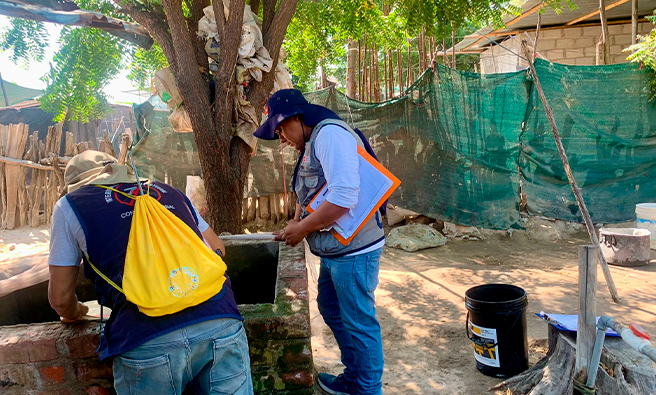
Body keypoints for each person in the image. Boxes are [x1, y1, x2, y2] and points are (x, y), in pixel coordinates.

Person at [48, 150, 253, 395]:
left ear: (75, 185)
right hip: (220, 319)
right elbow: (218, 248)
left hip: (145, 337)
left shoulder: (70, 206)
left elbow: (60, 298)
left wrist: (77, 312)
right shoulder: (167, 190)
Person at [254, 89, 385, 395]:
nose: (281, 138)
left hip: (355, 250)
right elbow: (313, 190)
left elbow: (342, 198)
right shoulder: (312, 140)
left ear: (296, 118)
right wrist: (296, 222)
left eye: (281, 129)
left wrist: (302, 230)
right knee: (330, 306)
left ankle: (367, 389)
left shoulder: (329, 136)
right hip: (337, 248)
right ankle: (355, 377)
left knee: (359, 322)